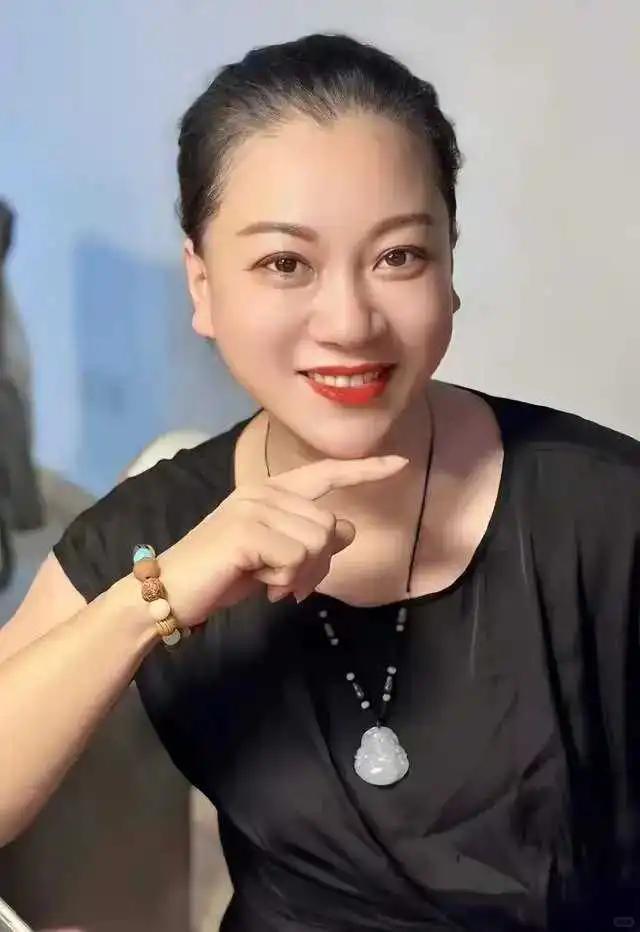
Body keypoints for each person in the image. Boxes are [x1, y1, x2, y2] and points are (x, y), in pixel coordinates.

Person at [1, 31, 639, 932]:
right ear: (203, 285)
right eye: (285, 264)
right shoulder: (162, 527)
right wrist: (159, 596)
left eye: (399, 257)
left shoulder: (605, 509)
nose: (348, 322)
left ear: (450, 266)